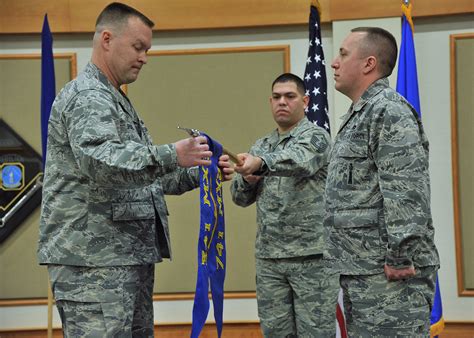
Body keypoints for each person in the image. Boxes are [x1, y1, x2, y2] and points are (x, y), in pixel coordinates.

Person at [37, 3, 233, 337]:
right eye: (138, 47)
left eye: (147, 49)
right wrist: (172, 153)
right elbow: (102, 163)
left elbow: (141, 178)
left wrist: (199, 171)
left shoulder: (114, 98)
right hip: (93, 265)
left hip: (123, 260)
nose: (144, 57)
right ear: (107, 39)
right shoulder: (87, 96)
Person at [326, 27, 440, 336]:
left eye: (343, 54)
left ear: (369, 64)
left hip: (390, 275)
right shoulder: (359, 114)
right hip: (362, 271)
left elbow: (407, 191)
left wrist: (400, 255)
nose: (334, 63)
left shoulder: (388, 111)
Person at [230, 73, 338, 337]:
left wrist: (261, 164)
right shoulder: (263, 144)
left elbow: (299, 160)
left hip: (311, 257)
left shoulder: (317, 137)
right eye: (277, 97)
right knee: (275, 333)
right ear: (270, 102)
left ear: (305, 101)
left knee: (315, 333)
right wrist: (248, 179)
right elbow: (239, 197)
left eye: (290, 97)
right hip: (270, 259)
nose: (282, 102)